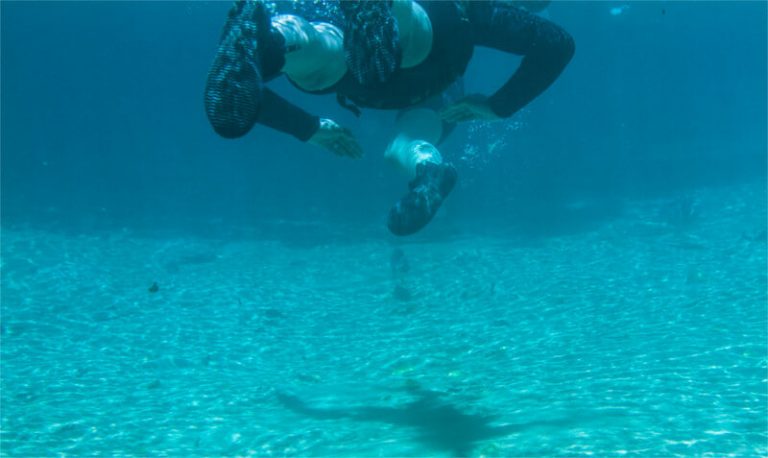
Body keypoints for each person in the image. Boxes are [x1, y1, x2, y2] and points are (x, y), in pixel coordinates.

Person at [204, 0, 574, 236]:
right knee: (404, 142)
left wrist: (308, 127)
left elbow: (243, 96)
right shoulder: (480, 9)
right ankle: (429, 172)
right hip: (430, 65)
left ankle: (273, 37)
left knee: (320, 42)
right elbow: (557, 44)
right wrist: (498, 106)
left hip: (350, 70)